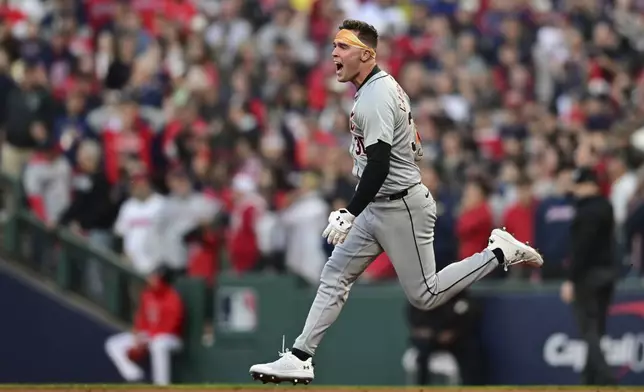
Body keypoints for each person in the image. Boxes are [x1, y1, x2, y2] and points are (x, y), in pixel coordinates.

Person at [249, 19, 543, 385]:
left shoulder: (374, 95)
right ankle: (300, 356)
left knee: (426, 294)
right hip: (383, 202)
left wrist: (349, 211)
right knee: (335, 274)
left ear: (366, 54)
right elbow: (415, 147)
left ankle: (498, 252)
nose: (334, 53)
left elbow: (380, 163)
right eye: (334, 46)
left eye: (343, 46)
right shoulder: (382, 87)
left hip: (400, 205)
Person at [560, 167, 618, 386]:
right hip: (607, 274)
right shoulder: (607, 206)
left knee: (589, 331)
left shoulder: (585, 211)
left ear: (589, 185)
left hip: (588, 277)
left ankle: (607, 380)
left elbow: (581, 249)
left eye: (579, 185)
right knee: (597, 331)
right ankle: (589, 380)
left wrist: (570, 279)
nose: (576, 190)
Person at [104, 265, 184, 386]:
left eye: (155, 277)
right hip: (149, 335)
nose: (151, 279)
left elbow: (172, 326)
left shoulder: (173, 298)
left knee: (159, 344)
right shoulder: (147, 294)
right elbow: (141, 319)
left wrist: (149, 339)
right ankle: (134, 376)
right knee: (112, 344)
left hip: (171, 338)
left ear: (163, 280)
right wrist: (137, 335)